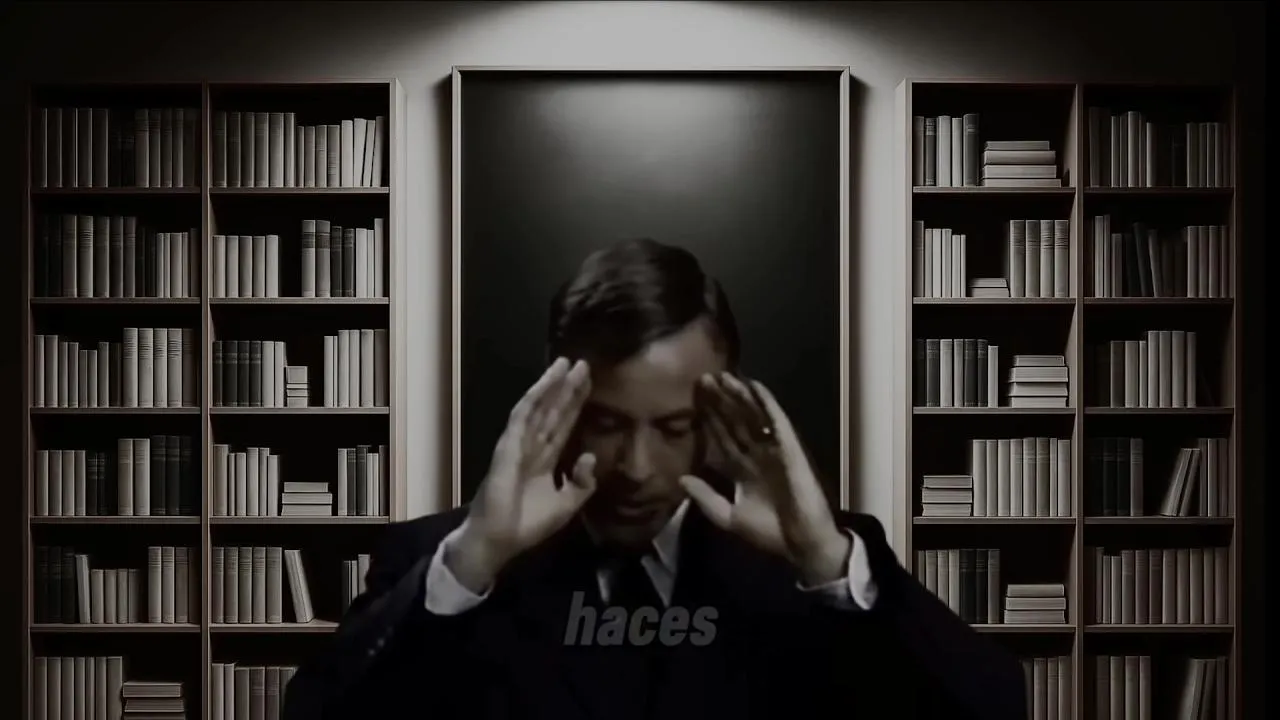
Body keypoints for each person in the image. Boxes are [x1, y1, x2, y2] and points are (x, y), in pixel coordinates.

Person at [283, 238, 1027, 720]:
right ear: (558, 400)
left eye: (674, 428)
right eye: (607, 423)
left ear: (722, 407)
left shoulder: (822, 568)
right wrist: (474, 560)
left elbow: (995, 708)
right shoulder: (443, 562)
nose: (637, 469)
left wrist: (826, 562)